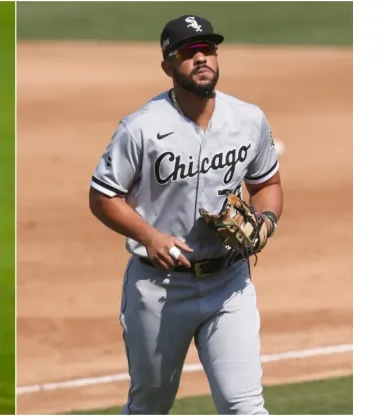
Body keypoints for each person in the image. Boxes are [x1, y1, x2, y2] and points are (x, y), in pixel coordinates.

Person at [88, 15, 283, 415]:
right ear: (167, 66)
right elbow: (103, 196)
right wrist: (149, 235)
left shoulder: (248, 119)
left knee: (243, 405)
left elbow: (267, 185)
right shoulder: (141, 128)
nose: (201, 59)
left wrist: (266, 222)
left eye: (208, 50)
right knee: (150, 405)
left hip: (229, 283)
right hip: (159, 288)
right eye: (188, 53)